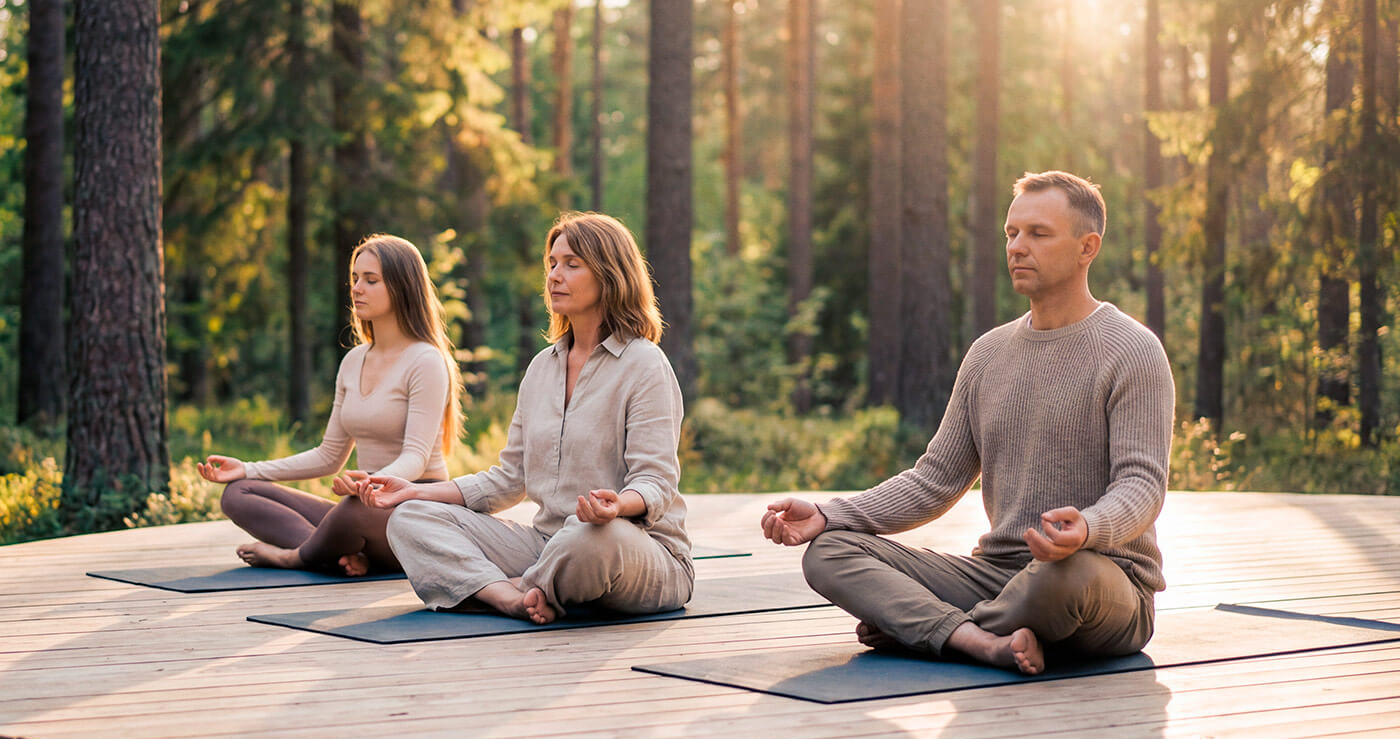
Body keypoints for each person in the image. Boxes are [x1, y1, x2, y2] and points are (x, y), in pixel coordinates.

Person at [762, 171, 1175, 675]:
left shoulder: (1133, 350)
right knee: (830, 553)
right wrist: (830, 514)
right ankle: (980, 641)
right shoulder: (988, 353)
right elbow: (934, 480)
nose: (1018, 247)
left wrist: (1087, 527)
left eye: (1038, 234)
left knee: (1062, 577)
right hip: (994, 576)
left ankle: (925, 630)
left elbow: (1141, 485)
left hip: (1102, 578)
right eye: (1011, 233)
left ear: (1088, 247)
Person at [358, 211, 692, 625]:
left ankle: (515, 583)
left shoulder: (645, 364)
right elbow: (507, 480)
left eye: (572, 264)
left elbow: (656, 483)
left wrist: (617, 506)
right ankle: (509, 596)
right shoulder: (541, 368)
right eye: (551, 264)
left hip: (635, 547)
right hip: (547, 544)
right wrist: (414, 491)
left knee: (592, 539)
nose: (554, 275)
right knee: (410, 520)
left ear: (610, 274)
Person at [197, 234, 462, 576]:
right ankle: (339, 555)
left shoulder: (425, 360)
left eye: (371, 280)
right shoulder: (353, 361)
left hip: (413, 508)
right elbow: (328, 456)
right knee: (238, 494)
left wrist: (369, 484)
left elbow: (415, 458)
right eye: (354, 279)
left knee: (351, 509)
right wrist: (248, 468)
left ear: (401, 287)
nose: (356, 289)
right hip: (362, 505)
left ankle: (295, 556)